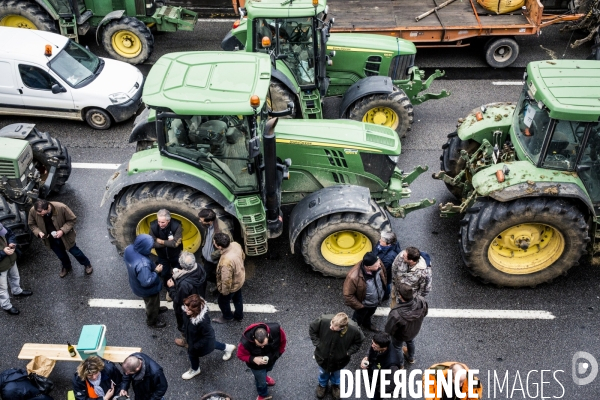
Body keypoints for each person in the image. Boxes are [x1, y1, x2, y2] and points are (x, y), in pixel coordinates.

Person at [28, 199, 93, 278]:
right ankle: (66, 266)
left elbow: (72, 220)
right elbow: (32, 224)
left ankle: (87, 264)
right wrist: (38, 232)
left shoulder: (61, 207)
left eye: (41, 213)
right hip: (50, 239)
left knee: (76, 252)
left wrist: (62, 230)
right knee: (61, 255)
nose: (39, 215)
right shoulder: (34, 211)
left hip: (66, 237)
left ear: (48, 207)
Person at [179, 294, 236, 380]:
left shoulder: (203, 322)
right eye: (186, 307)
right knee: (213, 344)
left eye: (188, 309)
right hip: (195, 340)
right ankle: (228, 348)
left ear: (195, 310)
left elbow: (209, 336)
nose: (185, 310)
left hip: (197, 343)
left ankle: (195, 369)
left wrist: (195, 346)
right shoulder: (189, 312)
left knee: (192, 354)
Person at [309, 312, 365, 399]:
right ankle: (322, 385)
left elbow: (359, 341)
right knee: (323, 372)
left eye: (334, 328)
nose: (331, 327)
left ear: (342, 328)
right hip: (323, 357)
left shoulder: (354, 330)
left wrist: (348, 352)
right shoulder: (323, 320)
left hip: (340, 360)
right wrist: (318, 343)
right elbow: (312, 329)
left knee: (337, 373)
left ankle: (335, 386)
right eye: (331, 324)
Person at [124, 234, 167, 328]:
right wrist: (156, 271)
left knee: (152, 302)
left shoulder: (129, 248)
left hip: (135, 283)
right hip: (148, 290)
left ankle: (157, 309)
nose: (151, 248)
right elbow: (146, 282)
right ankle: (152, 321)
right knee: (151, 304)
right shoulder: (143, 264)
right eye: (150, 247)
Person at [237, 322, 287, 400]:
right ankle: (262, 395)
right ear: (253, 337)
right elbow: (240, 355)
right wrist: (253, 359)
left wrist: (279, 353)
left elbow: (283, 341)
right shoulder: (245, 342)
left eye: (264, 344)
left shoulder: (277, 330)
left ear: (268, 335)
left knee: (267, 370)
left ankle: (264, 377)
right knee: (261, 383)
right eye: (259, 346)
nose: (263, 347)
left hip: (271, 360)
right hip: (256, 367)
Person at [167, 251, 207, 346]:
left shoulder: (184, 285)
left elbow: (178, 300)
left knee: (185, 325)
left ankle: (186, 341)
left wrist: (171, 288)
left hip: (188, 308)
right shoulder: (200, 268)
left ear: (182, 265)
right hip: (199, 301)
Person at [384, 283, 428, 369]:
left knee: (397, 347)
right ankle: (411, 358)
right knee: (411, 341)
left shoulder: (396, 313)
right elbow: (425, 312)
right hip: (414, 330)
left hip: (400, 335)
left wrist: (388, 335)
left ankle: (401, 364)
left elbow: (389, 329)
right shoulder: (421, 300)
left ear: (400, 296)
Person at [343, 252, 386, 332]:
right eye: (377, 266)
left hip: (375, 302)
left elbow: (384, 276)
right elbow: (348, 295)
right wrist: (360, 306)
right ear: (369, 267)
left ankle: (367, 324)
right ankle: (354, 331)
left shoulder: (377, 262)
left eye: (379, 263)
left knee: (369, 314)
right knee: (357, 319)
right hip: (363, 305)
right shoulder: (353, 277)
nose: (380, 266)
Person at [212, 232, 245, 324]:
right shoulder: (235, 244)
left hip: (232, 285)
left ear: (219, 247)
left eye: (214, 242)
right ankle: (239, 316)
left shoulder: (226, 261)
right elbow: (243, 256)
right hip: (240, 278)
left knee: (222, 301)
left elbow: (226, 280)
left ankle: (227, 317)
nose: (213, 243)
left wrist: (224, 292)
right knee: (238, 298)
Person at [0, 223, 32, 315]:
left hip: (11, 261)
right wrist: (3, 252)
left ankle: (17, 291)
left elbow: (10, 234)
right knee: (2, 288)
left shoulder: (1, 228)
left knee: (15, 277)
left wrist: (12, 243)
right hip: (1, 268)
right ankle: (6, 306)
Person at [149, 209, 183, 293]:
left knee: (177, 271)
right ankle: (169, 289)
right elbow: (152, 243)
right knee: (165, 273)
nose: (160, 224)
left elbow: (175, 244)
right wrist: (168, 243)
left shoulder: (177, 226)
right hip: (162, 255)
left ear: (169, 220)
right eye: (159, 221)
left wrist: (160, 241)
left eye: (163, 222)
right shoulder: (153, 226)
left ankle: (177, 286)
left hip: (175, 254)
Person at [360, 332, 402, 399]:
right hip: (374, 376)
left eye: (375, 345)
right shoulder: (378, 343)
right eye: (372, 342)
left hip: (379, 384)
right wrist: (366, 358)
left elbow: (391, 384)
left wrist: (379, 391)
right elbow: (371, 349)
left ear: (384, 348)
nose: (372, 345)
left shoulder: (392, 365)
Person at [198, 208, 232, 288]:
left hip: (214, 259)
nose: (200, 221)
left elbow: (227, 247)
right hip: (208, 258)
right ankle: (218, 284)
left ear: (209, 221)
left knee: (211, 275)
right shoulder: (209, 225)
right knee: (207, 274)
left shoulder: (222, 230)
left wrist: (213, 255)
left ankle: (220, 286)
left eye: (201, 220)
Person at [374, 231, 401, 302]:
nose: (379, 240)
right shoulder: (386, 245)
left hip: (385, 274)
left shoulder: (389, 257)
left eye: (382, 240)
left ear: (388, 244)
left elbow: (384, 271)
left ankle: (385, 296)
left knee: (385, 284)